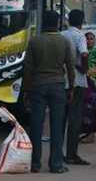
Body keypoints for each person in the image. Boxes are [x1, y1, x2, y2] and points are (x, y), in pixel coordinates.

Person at [23, 10, 74, 174]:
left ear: (43, 23)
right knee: (57, 126)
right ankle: (56, 164)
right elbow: (70, 67)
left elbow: (28, 69)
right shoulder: (64, 42)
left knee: (36, 125)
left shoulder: (34, 41)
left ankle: (35, 164)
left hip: (38, 86)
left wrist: (26, 90)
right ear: (58, 23)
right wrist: (71, 87)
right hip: (58, 86)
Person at [62, 9, 90, 165]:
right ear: (81, 21)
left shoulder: (62, 34)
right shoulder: (80, 36)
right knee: (74, 119)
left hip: (62, 81)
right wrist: (83, 68)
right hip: (77, 82)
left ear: (68, 20)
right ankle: (72, 154)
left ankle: (57, 153)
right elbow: (84, 54)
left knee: (60, 118)